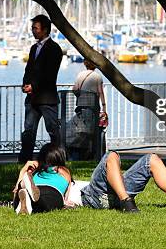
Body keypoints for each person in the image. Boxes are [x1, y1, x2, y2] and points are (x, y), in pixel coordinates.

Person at [80, 151, 166, 212]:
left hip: (118, 195)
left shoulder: (63, 171)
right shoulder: (62, 174)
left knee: (152, 159)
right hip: (95, 195)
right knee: (111, 155)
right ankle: (126, 202)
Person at [19, 15, 63, 162]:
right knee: (28, 131)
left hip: (46, 97)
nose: (33, 31)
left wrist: (34, 86)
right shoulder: (33, 48)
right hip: (32, 98)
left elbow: (49, 73)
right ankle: (25, 159)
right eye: (32, 28)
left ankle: (59, 158)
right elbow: (29, 69)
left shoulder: (54, 49)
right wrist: (25, 84)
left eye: (35, 28)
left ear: (45, 30)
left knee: (53, 130)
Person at [13, 143, 72, 215]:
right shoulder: (64, 170)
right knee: (44, 203)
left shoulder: (36, 170)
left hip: (35, 188)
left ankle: (25, 189)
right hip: (52, 192)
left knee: (23, 199)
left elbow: (15, 192)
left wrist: (23, 171)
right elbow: (66, 197)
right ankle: (29, 196)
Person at [69, 59, 108, 160]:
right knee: (91, 131)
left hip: (80, 106)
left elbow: (75, 89)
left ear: (85, 64)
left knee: (81, 129)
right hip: (92, 106)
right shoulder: (97, 76)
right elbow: (100, 92)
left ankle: (79, 153)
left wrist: (81, 95)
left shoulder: (80, 74)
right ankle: (89, 154)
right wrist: (104, 107)